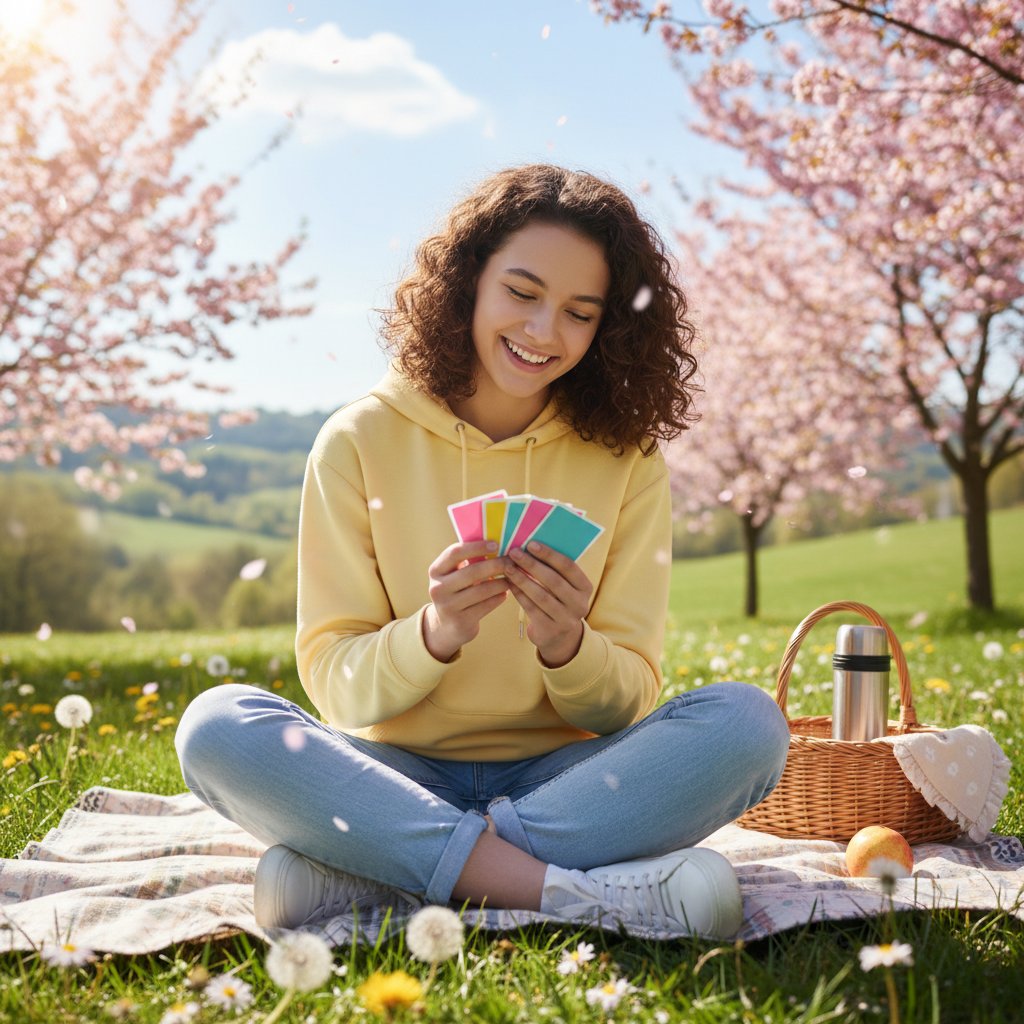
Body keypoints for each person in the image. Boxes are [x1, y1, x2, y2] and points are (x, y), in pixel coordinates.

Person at [175, 164, 789, 938]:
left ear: (608, 328)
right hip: (394, 774)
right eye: (522, 293)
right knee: (216, 726)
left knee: (748, 724)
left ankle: (388, 872)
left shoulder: (625, 459)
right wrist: (431, 636)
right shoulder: (358, 440)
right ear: (469, 283)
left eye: (579, 312)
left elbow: (627, 698)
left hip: (567, 779)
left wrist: (569, 647)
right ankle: (564, 892)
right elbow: (336, 689)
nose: (542, 332)